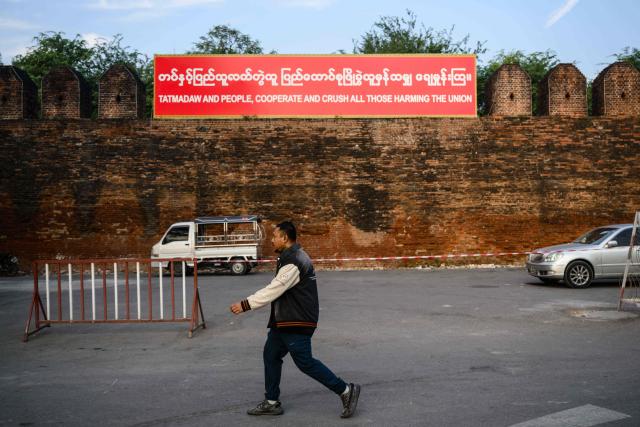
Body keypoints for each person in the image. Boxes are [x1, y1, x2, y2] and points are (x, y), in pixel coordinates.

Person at [230, 221, 361, 418]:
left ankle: (345, 391)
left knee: (305, 362)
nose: (272, 240)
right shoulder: (290, 257)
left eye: (275, 236)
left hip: (296, 320)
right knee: (271, 355)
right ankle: (272, 402)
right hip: (285, 320)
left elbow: (274, 289)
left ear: (284, 238)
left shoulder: (294, 261)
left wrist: (246, 304)